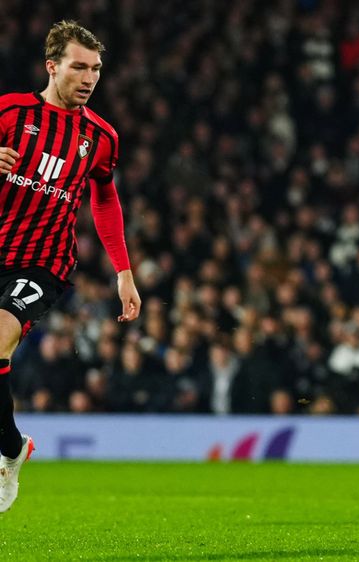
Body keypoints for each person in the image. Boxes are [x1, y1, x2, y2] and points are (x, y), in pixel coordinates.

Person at [0, 20, 141, 513]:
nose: (89, 78)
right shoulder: (10, 112)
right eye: (79, 67)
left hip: (44, 263)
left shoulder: (101, 137)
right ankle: (12, 448)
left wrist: (123, 270)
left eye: (96, 69)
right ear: (52, 66)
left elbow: (105, 200)